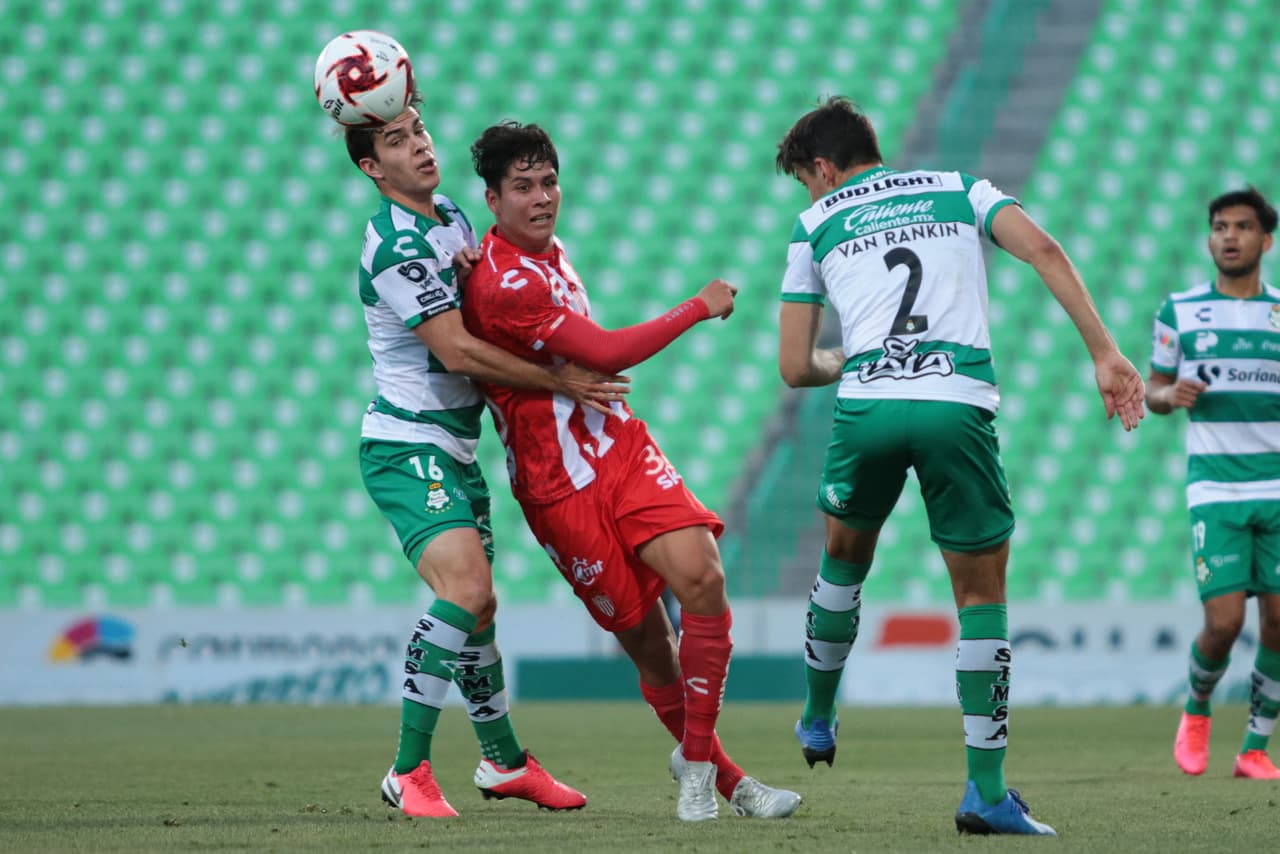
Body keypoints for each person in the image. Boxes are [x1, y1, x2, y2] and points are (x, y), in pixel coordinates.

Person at [773, 96, 1146, 836]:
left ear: (822, 168)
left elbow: (793, 367)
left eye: (807, 181)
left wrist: (848, 358)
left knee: (843, 561)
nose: (812, 194)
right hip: (955, 400)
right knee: (980, 594)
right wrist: (1105, 353)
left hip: (870, 404)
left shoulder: (816, 222)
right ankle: (984, 793)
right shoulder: (961, 188)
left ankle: (817, 715)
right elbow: (1045, 250)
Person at [460, 120, 802, 822]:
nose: (541, 198)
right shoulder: (503, 282)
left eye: (548, 181)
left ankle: (702, 768)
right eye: (522, 187)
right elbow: (608, 351)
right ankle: (725, 777)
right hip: (558, 488)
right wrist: (698, 307)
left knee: (703, 575)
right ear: (492, 200)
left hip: (616, 445)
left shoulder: (547, 253)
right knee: (651, 646)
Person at [342, 91, 626, 817]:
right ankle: (408, 771)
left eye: (421, 131)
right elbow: (458, 348)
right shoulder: (398, 245)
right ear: (374, 168)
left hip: (454, 447)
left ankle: (503, 764)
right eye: (400, 142)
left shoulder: (452, 222)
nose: (422, 146)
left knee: (482, 607)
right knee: (464, 593)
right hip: (407, 444)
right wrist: (559, 378)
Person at [1148, 187, 1280, 781]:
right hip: (1216, 490)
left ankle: (1254, 747)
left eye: (1243, 227)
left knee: (1279, 623)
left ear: (1265, 240)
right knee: (1225, 622)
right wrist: (1169, 396)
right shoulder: (1180, 311)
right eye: (1220, 226)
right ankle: (1197, 709)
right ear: (1209, 238)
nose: (1229, 236)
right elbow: (1152, 392)